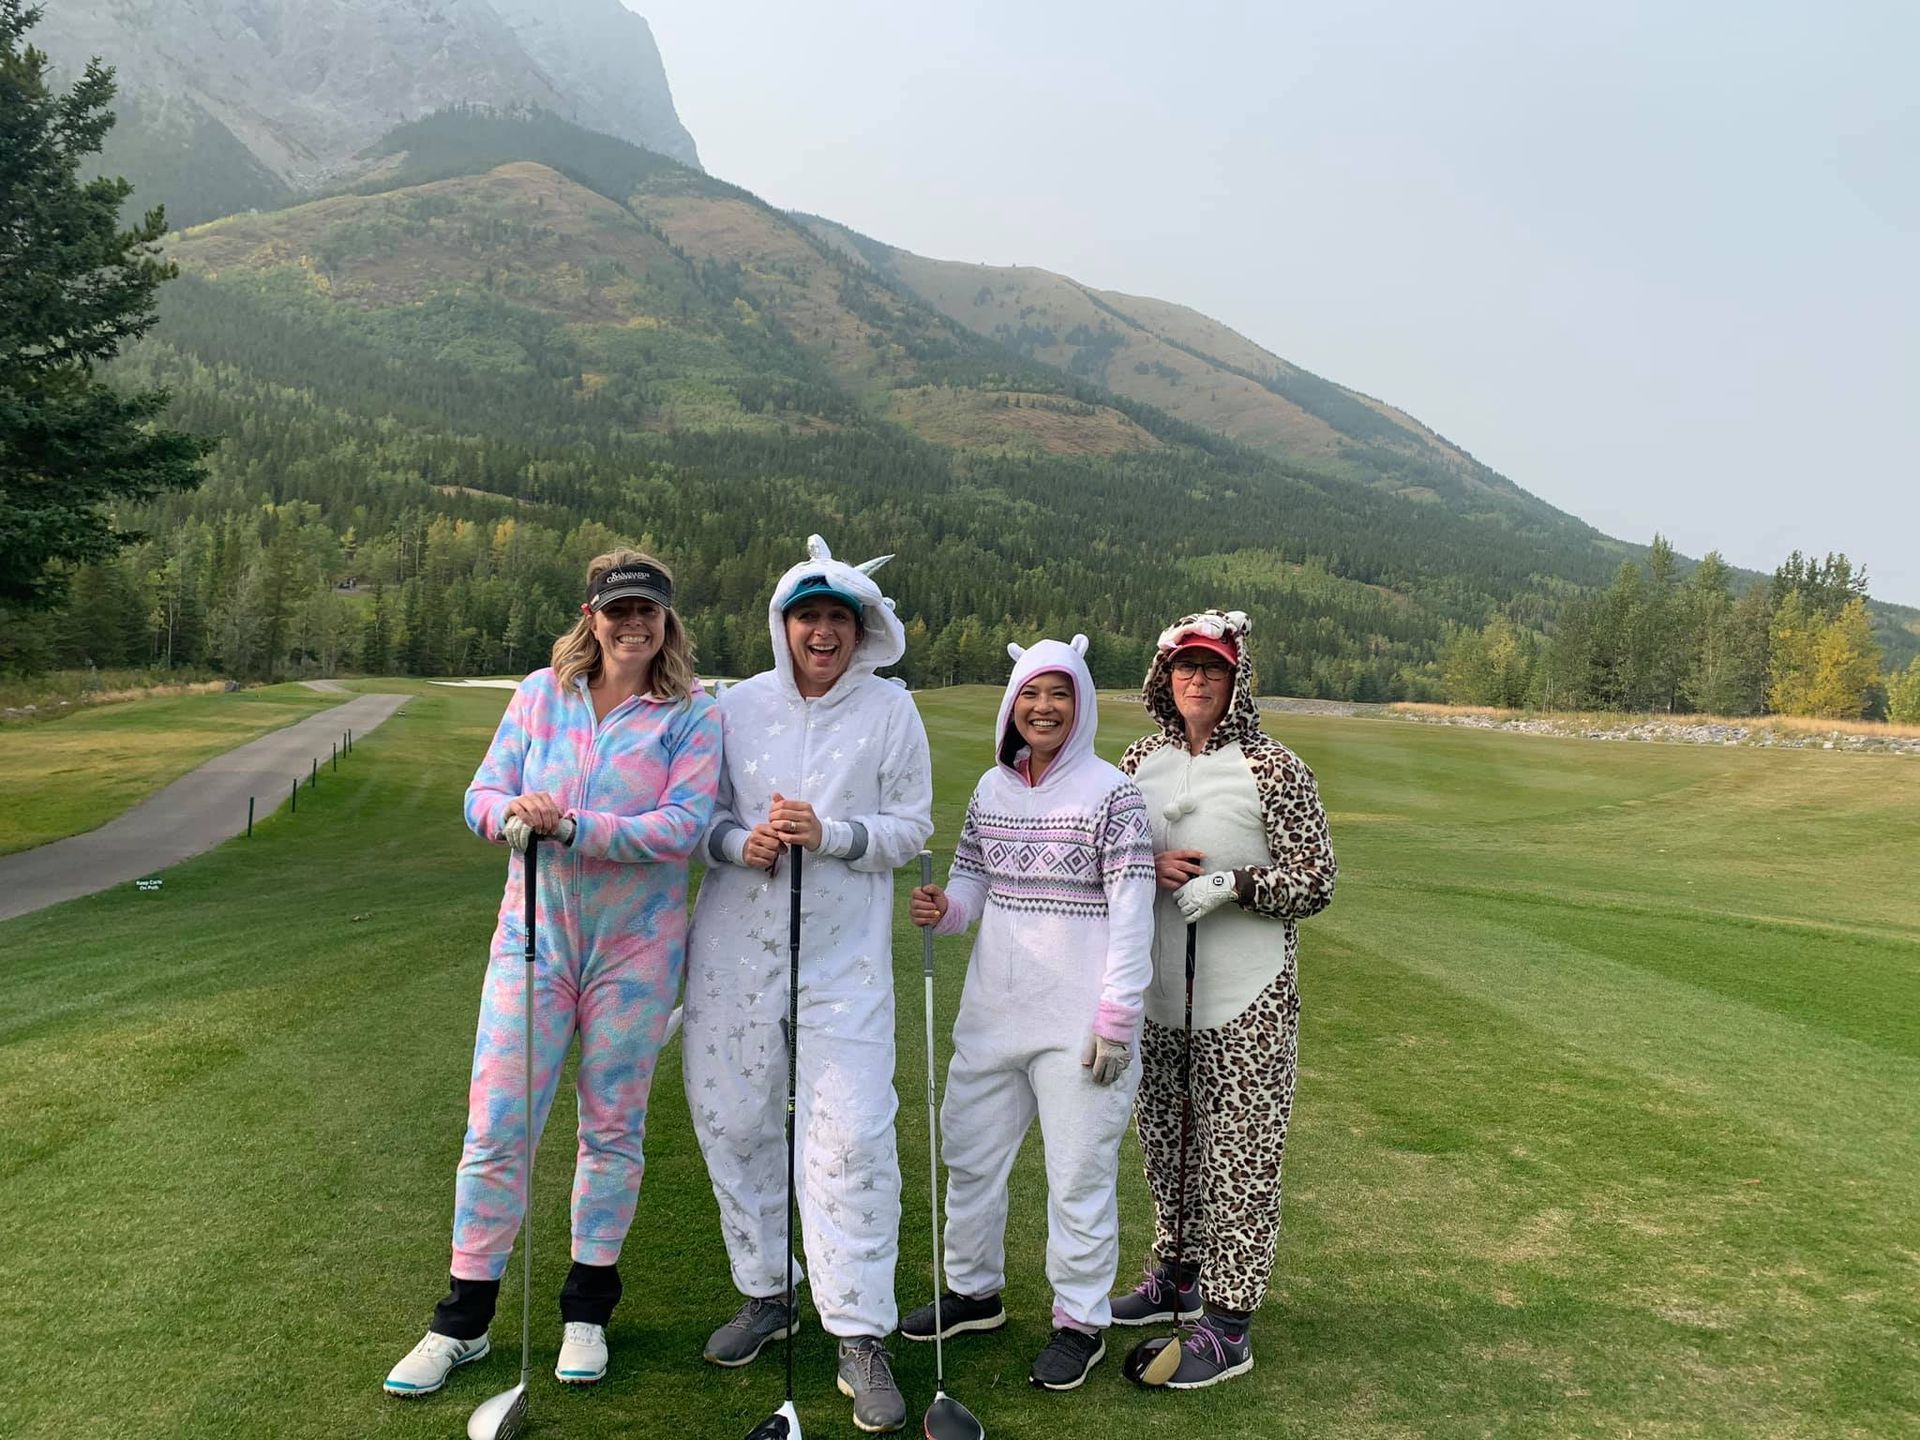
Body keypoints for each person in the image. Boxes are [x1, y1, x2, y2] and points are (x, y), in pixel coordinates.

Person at [384, 550, 722, 1397]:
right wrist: (511, 813)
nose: (632, 624)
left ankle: (587, 1310)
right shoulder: (540, 694)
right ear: (591, 614)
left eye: (647, 610)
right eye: (617, 610)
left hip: (635, 952)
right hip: (532, 942)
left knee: (612, 1127)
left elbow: (682, 826)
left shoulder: (690, 714)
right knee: (498, 1124)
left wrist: (575, 826)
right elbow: (480, 796)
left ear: (667, 620)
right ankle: (462, 1321)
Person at [684, 535, 933, 1435]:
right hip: (735, 948)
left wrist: (831, 833)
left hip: (845, 959)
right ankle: (767, 1290)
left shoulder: (891, 712)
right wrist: (732, 842)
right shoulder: (733, 708)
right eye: (807, 616)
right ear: (781, 624)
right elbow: (695, 816)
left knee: (853, 1136)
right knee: (735, 1115)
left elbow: (910, 829)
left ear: (862, 631)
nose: (822, 633)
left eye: (838, 618)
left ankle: (859, 1332)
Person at [902, 634, 1156, 1393]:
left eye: (1060, 694)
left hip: (1079, 1022)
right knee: (969, 1159)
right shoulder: (991, 788)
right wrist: (945, 909)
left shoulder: (1114, 794)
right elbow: (972, 884)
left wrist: (1117, 1017)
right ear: (1013, 704)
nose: (1043, 708)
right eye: (1031, 694)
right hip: (993, 1014)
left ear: (1079, 705)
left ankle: (1080, 1320)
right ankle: (973, 1293)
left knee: (1077, 1176)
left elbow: (1135, 913)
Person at [1109, 608, 1336, 1388]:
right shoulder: (1139, 759)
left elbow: (1316, 879)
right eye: (1184, 667)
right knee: (1167, 1141)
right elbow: (1111, 856)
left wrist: (1235, 884)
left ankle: (1229, 1324)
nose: (1197, 679)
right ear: (1163, 678)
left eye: (1212, 668)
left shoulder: (1276, 768)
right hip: (1159, 991)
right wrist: (1154, 863)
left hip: (1250, 996)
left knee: (1240, 1156)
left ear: (1236, 680)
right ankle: (1177, 1272)